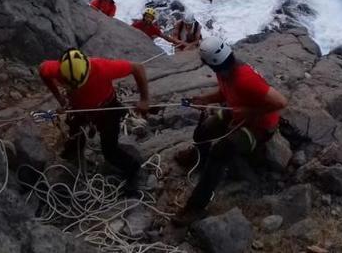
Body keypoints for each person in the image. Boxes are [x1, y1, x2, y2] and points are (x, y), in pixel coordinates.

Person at [172, 37, 288, 225]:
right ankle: (199, 158)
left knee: (221, 151)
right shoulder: (226, 69)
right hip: (238, 111)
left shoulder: (244, 77)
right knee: (202, 131)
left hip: (260, 127)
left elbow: (280, 102)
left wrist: (249, 112)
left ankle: (196, 207)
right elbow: (227, 92)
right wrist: (206, 99)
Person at [38, 48, 150, 194]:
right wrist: (60, 98)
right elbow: (42, 70)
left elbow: (138, 67)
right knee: (75, 133)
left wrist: (145, 100)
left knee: (110, 151)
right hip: (78, 108)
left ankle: (133, 169)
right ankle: (74, 153)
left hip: (106, 109)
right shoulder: (56, 69)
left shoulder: (102, 68)